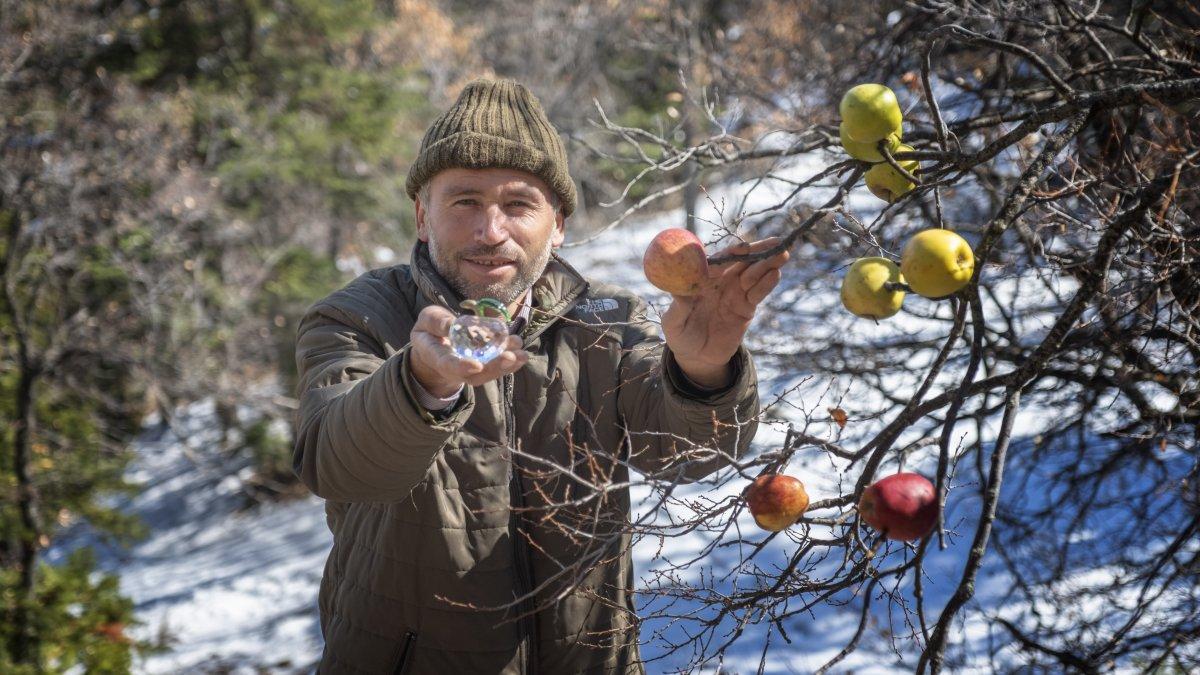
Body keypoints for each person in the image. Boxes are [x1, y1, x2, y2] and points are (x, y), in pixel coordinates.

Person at [293, 78, 789, 674]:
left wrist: (705, 367)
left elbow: (691, 458)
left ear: (557, 225)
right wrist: (420, 383)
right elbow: (337, 463)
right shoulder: (357, 317)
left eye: (519, 204)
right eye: (465, 202)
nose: (491, 231)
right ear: (423, 216)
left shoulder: (608, 323)